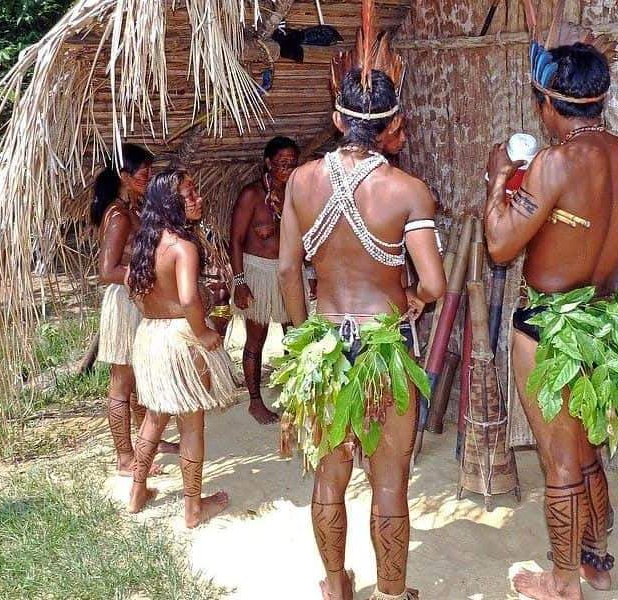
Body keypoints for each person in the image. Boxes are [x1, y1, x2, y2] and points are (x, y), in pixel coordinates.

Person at [277, 54, 446, 599]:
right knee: (389, 479)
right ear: (393, 123)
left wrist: (306, 340)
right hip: (383, 347)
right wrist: (414, 299)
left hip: (325, 345)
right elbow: (435, 284)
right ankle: (392, 594)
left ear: (336, 118)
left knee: (329, 472)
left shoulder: (301, 182)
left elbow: (286, 271)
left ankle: (334, 584)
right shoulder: (407, 191)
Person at [483, 42, 618, 600]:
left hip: (548, 327)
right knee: (587, 450)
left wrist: (496, 180)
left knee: (559, 463)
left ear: (548, 103)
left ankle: (563, 581)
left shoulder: (554, 162)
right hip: (602, 321)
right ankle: (597, 561)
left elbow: (500, 246)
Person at [125, 168, 240, 522]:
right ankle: (193, 507)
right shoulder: (182, 247)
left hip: (152, 336)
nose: (197, 199)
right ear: (170, 202)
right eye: (189, 194)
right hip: (181, 340)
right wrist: (203, 333)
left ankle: (137, 491)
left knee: (155, 419)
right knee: (191, 426)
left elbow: (133, 286)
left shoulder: (145, 243)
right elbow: (190, 299)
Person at [91, 144, 178, 477]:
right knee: (122, 383)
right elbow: (106, 270)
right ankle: (125, 457)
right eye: (144, 173)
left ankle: (147, 441)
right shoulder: (117, 215)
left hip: (137, 298)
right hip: (124, 303)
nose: (149, 177)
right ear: (125, 177)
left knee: (142, 375)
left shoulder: (131, 209)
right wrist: (146, 277)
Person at [230, 136, 300, 424]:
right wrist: (240, 281)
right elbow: (235, 240)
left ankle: (297, 395)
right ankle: (255, 401)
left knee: (296, 338)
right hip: (256, 272)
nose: (287, 169)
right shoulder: (252, 195)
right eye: (282, 163)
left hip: (288, 272)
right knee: (255, 341)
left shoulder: (296, 194)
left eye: (292, 164)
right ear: (268, 163)